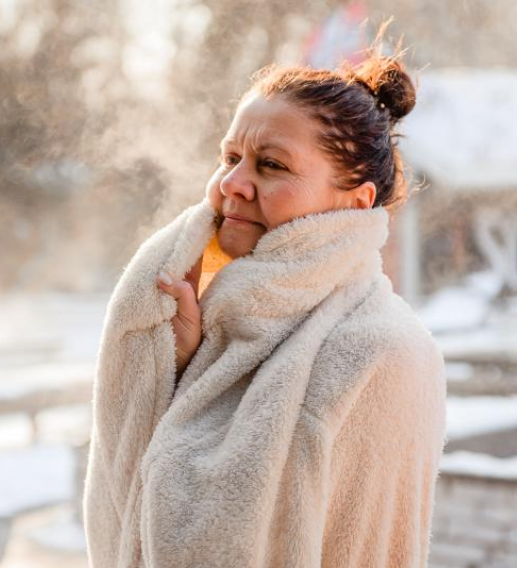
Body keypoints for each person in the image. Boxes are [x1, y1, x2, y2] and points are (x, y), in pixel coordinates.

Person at [84, 23, 447, 568]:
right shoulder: (216, 329)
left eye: (270, 164)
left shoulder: (385, 355)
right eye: (229, 158)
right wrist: (183, 369)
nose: (232, 183)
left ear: (355, 202)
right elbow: (146, 508)